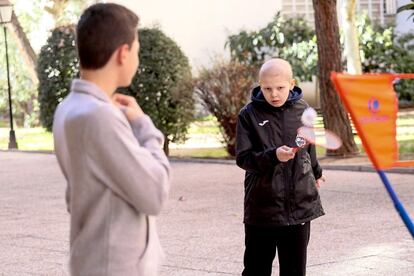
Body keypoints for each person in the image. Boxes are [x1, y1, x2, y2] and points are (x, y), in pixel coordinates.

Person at [52, 3, 170, 275]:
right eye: (137, 52)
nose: (137, 61)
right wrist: (144, 126)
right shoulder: (98, 116)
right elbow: (154, 194)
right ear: (123, 53)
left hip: (94, 258)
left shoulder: (67, 107)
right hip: (112, 265)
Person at [236, 58, 325, 276]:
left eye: (280, 88)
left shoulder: (304, 110)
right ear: (259, 85)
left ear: (292, 84)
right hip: (262, 207)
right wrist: (274, 155)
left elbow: (308, 148)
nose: (273, 94)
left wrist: (316, 172)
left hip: (299, 206)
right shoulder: (249, 114)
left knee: (294, 270)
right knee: (256, 268)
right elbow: (244, 158)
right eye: (267, 88)